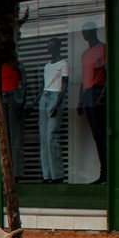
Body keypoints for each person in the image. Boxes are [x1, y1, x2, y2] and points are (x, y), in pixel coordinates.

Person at [76, 22, 107, 184]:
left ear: (94, 31)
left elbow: (108, 74)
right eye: (82, 31)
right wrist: (80, 100)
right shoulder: (84, 54)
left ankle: (107, 173)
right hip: (87, 94)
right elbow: (84, 78)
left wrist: (102, 96)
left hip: (98, 93)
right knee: (96, 135)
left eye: (86, 31)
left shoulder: (103, 49)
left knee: (102, 135)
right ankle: (103, 172)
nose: (84, 34)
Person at [38, 38, 70, 184]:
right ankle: (47, 175)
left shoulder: (64, 63)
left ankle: (57, 175)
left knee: (52, 137)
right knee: (44, 138)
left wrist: (57, 103)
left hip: (55, 96)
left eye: (51, 46)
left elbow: (64, 85)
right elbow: (45, 84)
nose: (48, 48)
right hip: (44, 97)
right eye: (47, 45)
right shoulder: (46, 66)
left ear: (57, 47)